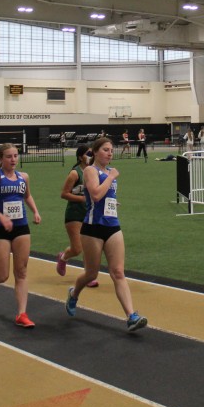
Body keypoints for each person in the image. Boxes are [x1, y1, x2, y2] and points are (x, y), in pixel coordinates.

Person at [65, 137, 147, 333]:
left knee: (118, 272)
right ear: (95, 152)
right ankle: (74, 294)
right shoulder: (90, 171)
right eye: (105, 149)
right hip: (93, 228)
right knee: (91, 274)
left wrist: (112, 202)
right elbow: (94, 195)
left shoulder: (110, 171)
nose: (110, 153)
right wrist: (110, 178)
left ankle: (131, 316)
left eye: (111, 150)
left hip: (112, 226)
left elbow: (105, 196)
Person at [0, 143, 42, 328]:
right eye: (9, 156)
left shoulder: (24, 177)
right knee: (3, 275)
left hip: (21, 227)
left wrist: (35, 211)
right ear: (1, 159)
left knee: (21, 271)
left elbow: (27, 196)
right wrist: (0, 217)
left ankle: (22, 314)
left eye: (15, 155)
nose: (13, 159)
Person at [55, 145, 99, 288]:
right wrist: (82, 198)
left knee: (89, 247)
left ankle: (88, 276)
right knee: (77, 248)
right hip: (74, 214)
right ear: (80, 157)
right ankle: (63, 257)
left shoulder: (94, 171)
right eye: (88, 153)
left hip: (89, 214)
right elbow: (64, 194)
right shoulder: (75, 173)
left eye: (92, 153)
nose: (91, 156)